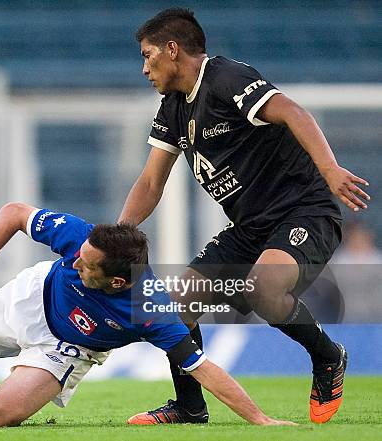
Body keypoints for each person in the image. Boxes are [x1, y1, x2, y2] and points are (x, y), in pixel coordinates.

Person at [119, 8, 369, 425]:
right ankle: (189, 407)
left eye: (148, 56)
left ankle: (328, 356)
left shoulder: (226, 78)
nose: (145, 68)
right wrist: (116, 236)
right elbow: (149, 183)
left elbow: (293, 111)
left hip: (303, 212)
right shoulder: (173, 109)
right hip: (249, 229)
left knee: (263, 289)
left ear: (173, 50)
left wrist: (329, 170)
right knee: (177, 305)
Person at [0, 202, 293, 427]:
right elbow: (14, 212)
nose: (76, 261)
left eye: (85, 265)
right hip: (30, 297)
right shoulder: (85, 240)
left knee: (0, 417)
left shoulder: (149, 310)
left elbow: (204, 369)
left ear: (118, 282)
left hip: (70, 348)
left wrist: (260, 421)